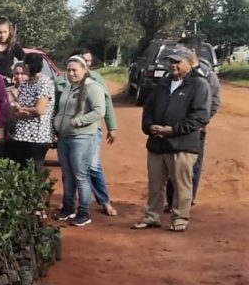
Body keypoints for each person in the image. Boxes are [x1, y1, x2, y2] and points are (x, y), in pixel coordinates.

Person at [132, 46, 210, 232]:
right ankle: (152, 217)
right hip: (157, 143)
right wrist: (150, 126)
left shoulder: (199, 85)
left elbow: (200, 116)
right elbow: (148, 108)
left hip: (181, 144)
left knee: (181, 184)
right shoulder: (163, 83)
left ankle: (180, 218)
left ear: (189, 63)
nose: (172, 65)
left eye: (177, 62)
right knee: (155, 183)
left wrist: (173, 130)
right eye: (171, 61)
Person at [53, 55, 107, 227]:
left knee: (81, 175)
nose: (71, 73)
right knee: (67, 175)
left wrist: (79, 121)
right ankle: (68, 207)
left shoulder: (93, 87)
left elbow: (99, 111)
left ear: (84, 70)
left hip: (82, 137)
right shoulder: (69, 88)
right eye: (68, 70)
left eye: (75, 70)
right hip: (64, 137)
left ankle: (84, 211)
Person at [167, 38, 221, 206]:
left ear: (192, 52)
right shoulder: (173, 73)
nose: (174, 59)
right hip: (174, 128)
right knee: (171, 164)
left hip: (195, 129)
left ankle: (188, 199)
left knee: (193, 165)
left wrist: (202, 121)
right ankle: (172, 200)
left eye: (179, 51)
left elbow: (214, 101)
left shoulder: (206, 74)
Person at [78, 47, 120, 216]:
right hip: (71, 132)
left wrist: (112, 126)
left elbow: (107, 103)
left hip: (93, 130)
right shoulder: (64, 80)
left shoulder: (97, 79)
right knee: (73, 169)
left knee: (93, 166)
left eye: (89, 61)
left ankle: (104, 201)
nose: (86, 64)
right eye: (83, 60)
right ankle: (75, 205)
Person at [6, 53, 55, 172]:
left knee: (34, 171)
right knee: (20, 171)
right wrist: (20, 110)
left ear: (27, 66)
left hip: (38, 137)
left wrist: (24, 109)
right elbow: (16, 109)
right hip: (21, 135)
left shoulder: (45, 83)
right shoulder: (25, 84)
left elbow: (40, 110)